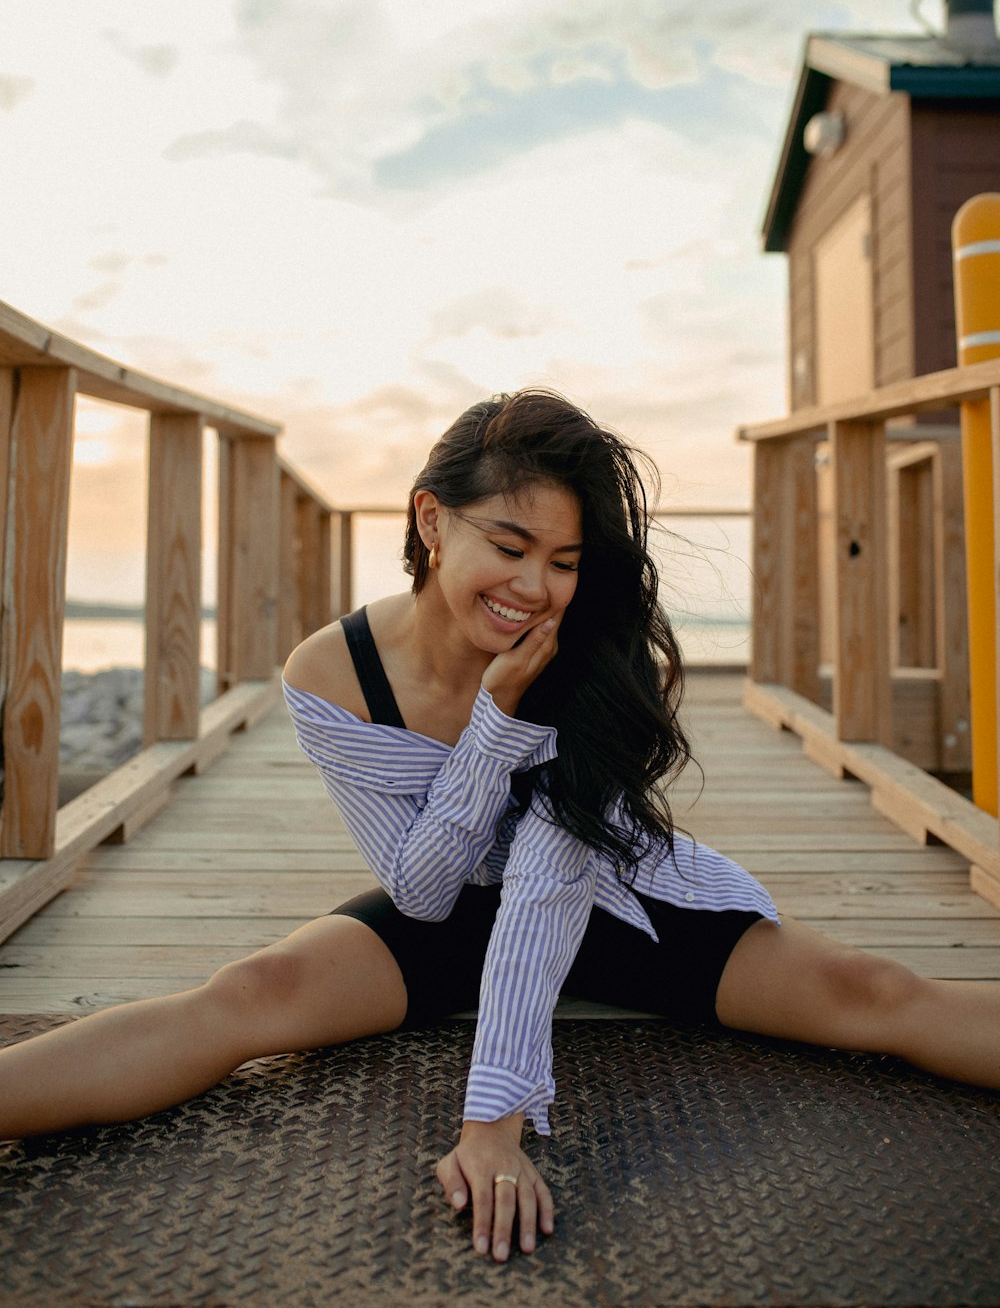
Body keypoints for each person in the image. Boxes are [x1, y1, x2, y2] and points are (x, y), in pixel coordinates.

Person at [0, 390, 998, 1264]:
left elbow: (548, 884)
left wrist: (493, 1123)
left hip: (614, 900)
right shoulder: (331, 671)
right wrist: (492, 724)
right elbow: (427, 891)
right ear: (432, 520)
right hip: (450, 907)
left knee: (874, 989)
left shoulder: (586, 659)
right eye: (509, 547)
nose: (534, 586)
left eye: (563, 560)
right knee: (248, 992)